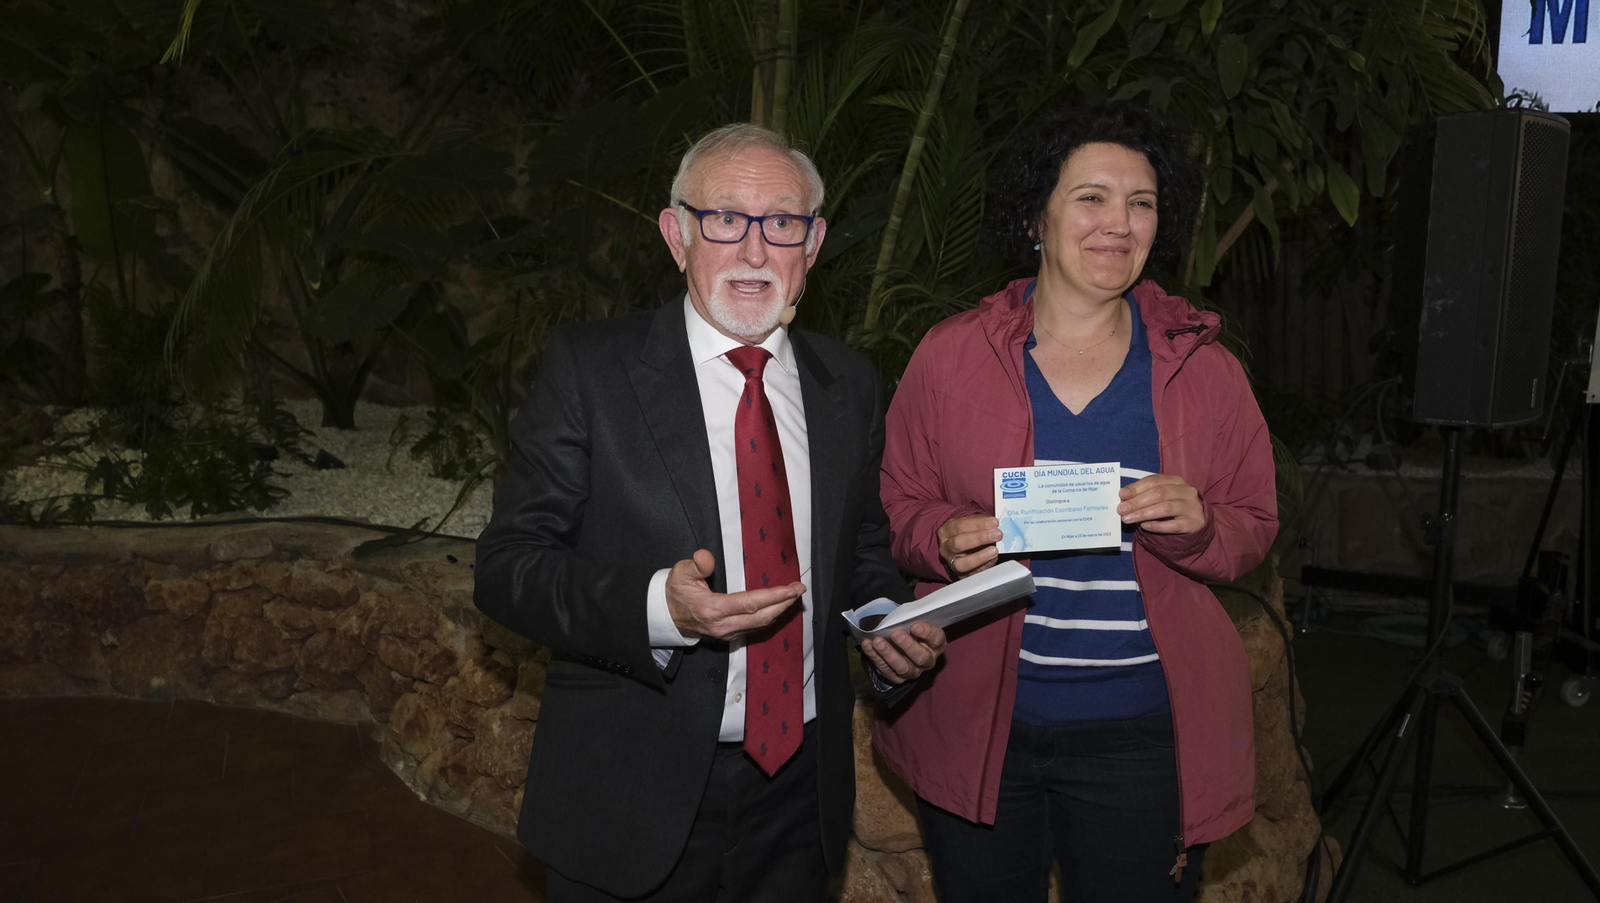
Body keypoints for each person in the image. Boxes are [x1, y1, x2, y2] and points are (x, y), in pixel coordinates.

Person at [474, 123, 947, 903]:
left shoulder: (849, 384)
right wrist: (663, 606)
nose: (755, 251)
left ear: (815, 242)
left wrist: (885, 620)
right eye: (727, 218)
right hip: (631, 788)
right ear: (678, 233)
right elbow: (509, 567)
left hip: (797, 799)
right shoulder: (592, 370)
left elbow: (859, 550)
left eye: (783, 223)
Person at [874, 104, 1278, 902]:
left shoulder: (1203, 367)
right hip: (979, 721)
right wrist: (941, 536)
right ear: (1037, 214)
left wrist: (1200, 526)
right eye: (1091, 197)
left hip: (1140, 732)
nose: (1118, 225)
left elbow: (1253, 524)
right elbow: (897, 502)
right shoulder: (954, 353)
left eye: (1142, 203)